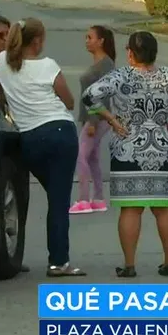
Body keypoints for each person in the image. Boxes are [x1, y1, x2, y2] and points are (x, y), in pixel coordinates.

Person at [82, 31, 168, 278]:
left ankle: (129, 265)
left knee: (131, 209)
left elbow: (89, 96)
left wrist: (112, 120)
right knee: (164, 208)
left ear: (130, 53)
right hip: (162, 149)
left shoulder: (119, 77)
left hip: (127, 150)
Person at [0, 18, 85, 277]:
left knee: (54, 195)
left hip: (29, 139)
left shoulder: (3, 61)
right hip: (60, 134)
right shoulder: (48, 66)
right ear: (36, 42)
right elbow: (68, 101)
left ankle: (57, 258)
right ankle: (58, 261)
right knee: (58, 201)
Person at [69, 26, 117, 214]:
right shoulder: (99, 63)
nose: (87, 41)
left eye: (90, 37)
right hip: (90, 118)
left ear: (101, 41)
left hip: (97, 118)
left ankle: (83, 199)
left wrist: (93, 121)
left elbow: (103, 96)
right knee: (92, 157)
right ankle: (98, 199)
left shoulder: (106, 64)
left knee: (80, 155)